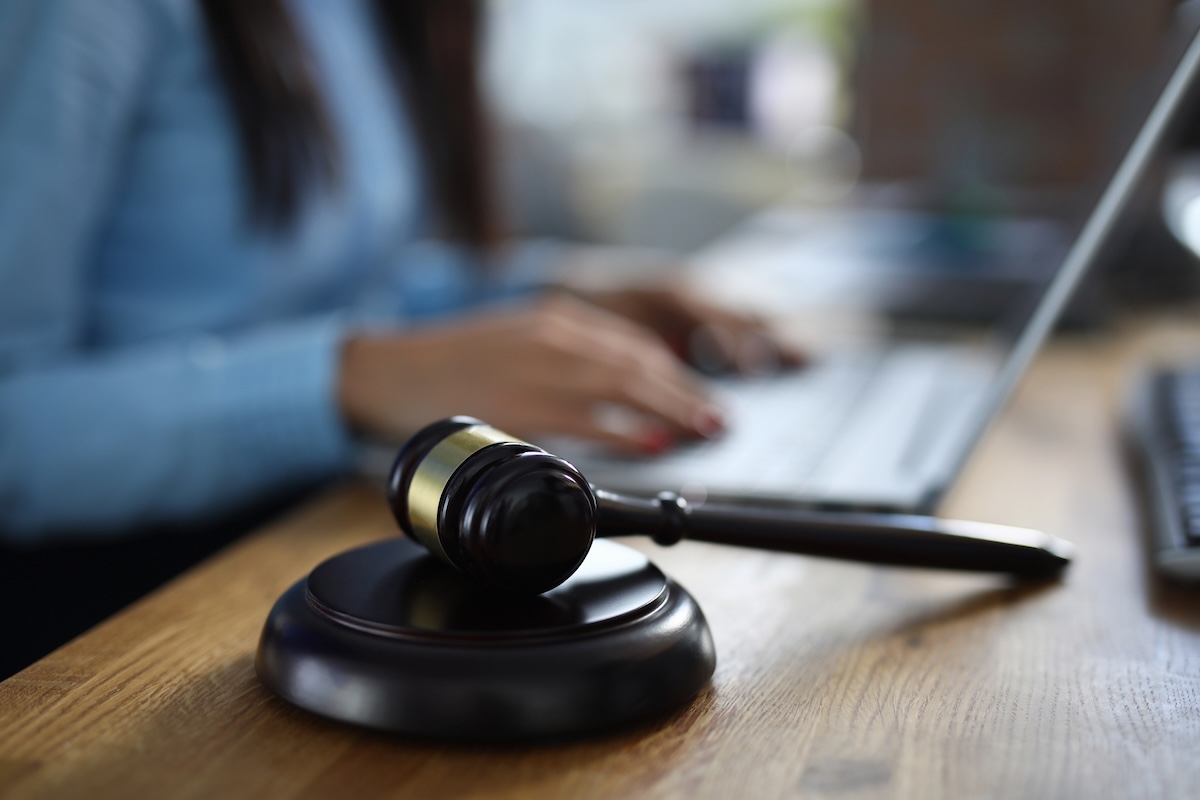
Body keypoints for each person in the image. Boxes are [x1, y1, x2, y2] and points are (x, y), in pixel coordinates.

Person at [0, 0, 798, 673]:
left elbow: (355, 283)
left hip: (307, 527)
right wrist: (343, 380)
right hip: (112, 620)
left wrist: (551, 290)